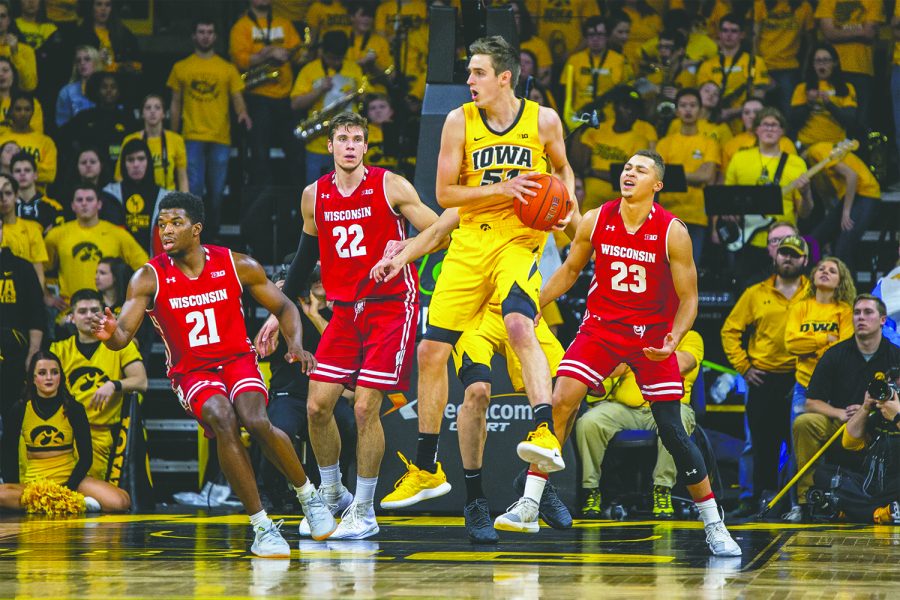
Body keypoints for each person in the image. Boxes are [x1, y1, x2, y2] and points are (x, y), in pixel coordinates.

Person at [379, 36, 576, 526]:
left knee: (519, 325)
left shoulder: (543, 120)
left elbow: (564, 172)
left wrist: (565, 207)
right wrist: (503, 188)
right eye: (468, 73)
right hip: (470, 247)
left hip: (517, 242)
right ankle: (427, 467)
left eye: (478, 73)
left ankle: (543, 441)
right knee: (430, 354)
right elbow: (446, 194)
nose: (469, 81)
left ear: (505, 76)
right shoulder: (458, 122)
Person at [91, 191, 336, 556]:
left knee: (255, 419)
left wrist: (295, 345)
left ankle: (309, 497)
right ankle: (262, 526)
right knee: (223, 418)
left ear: (197, 229)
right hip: (192, 371)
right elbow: (123, 334)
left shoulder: (236, 264)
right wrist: (111, 335)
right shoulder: (148, 276)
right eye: (162, 224)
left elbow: (286, 306)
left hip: (237, 359)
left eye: (176, 223)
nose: (167, 230)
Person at [540, 150, 740, 556]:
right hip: (604, 327)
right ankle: (531, 496)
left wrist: (673, 338)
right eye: (627, 168)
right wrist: (532, 303)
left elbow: (689, 298)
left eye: (641, 170)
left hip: (651, 334)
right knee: (562, 399)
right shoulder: (597, 217)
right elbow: (569, 271)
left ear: (657, 185)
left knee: (672, 429)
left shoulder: (673, 231)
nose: (630, 173)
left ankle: (714, 524)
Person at [256, 112, 439, 540]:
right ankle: (334, 491)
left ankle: (364, 509)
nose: (350, 145)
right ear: (331, 146)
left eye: (357, 138)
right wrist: (276, 312)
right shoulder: (313, 196)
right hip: (345, 310)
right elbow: (302, 264)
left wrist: (404, 247)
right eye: (343, 138)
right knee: (317, 407)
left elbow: (440, 230)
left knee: (363, 407)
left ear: (366, 147)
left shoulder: (390, 184)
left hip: (392, 304)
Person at [369, 207, 571, 543]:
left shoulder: (535, 192)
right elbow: (437, 233)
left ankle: (537, 481)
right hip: (475, 314)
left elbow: (581, 237)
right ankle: (475, 500)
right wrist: (404, 251)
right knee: (477, 391)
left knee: (567, 390)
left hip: (519, 309)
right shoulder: (475, 195)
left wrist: (568, 211)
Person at [792, 294, 900, 521]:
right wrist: (839, 413)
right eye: (857, 312)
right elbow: (811, 401)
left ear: (882, 320)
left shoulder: (895, 355)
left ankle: (861, 504)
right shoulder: (835, 354)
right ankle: (806, 502)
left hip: (884, 428)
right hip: (843, 424)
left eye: (868, 312)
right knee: (804, 422)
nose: (861, 317)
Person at [721, 234, 810, 508]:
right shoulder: (755, 293)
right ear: (775, 256)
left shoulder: (815, 293)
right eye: (784, 253)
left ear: (805, 260)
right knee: (762, 446)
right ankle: (758, 502)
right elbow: (730, 330)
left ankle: (797, 503)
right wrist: (744, 367)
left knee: (799, 447)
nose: (788, 258)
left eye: (794, 254)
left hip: (801, 379)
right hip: (763, 378)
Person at [577, 330, 704, 519]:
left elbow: (684, 363)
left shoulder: (690, 336)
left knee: (678, 420)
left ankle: (663, 489)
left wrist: (639, 354)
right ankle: (591, 490)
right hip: (627, 408)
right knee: (589, 421)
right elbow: (613, 369)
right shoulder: (637, 332)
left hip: (670, 406)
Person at [0, 352, 131, 512]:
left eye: (54, 372)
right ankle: (75, 504)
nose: (49, 377)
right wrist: (15, 487)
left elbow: (86, 458)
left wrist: (67, 489)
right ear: (33, 379)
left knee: (121, 501)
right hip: (35, 484)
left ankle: (58, 502)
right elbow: (8, 454)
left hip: (72, 481)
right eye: (42, 373)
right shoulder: (20, 409)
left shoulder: (74, 409)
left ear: (61, 377)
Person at [50, 288, 147, 480]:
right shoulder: (58, 349)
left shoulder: (120, 346)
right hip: (66, 434)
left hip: (105, 436)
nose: (89, 316)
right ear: (72, 316)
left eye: (95, 311)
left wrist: (114, 385)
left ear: (104, 314)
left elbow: (141, 381)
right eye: (82, 311)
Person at [168, 18, 251, 239]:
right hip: (191, 135)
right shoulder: (181, 67)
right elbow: (175, 103)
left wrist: (243, 113)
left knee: (216, 191)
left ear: (215, 36)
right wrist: (173, 134)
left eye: (210, 31)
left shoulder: (227, 68)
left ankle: (211, 232)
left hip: (220, 137)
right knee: (194, 191)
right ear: (194, 36)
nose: (205, 35)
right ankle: (194, 234)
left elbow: (237, 96)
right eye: (201, 31)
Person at [720, 108, 812, 279]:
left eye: (775, 125)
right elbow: (727, 200)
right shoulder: (740, 159)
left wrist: (806, 194)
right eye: (765, 125)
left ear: (782, 131)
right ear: (756, 129)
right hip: (747, 241)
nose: (770, 129)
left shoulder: (796, 163)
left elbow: (805, 213)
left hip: (784, 243)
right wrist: (728, 213)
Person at [230, 0, 301, 186]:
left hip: (285, 97)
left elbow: (298, 53)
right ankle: (261, 202)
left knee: (296, 152)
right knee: (259, 154)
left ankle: (296, 204)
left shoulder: (284, 23)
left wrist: (296, 53)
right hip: (257, 98)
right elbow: (239, 61)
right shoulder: (242, 26)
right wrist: (267, 54)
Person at [43, 183, 147, 306]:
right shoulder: (55, 235)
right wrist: (47, 296)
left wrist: (133, 298)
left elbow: (145, 268)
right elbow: (39, 270)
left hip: (108, 310)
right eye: (79, 200)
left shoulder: (118, 234)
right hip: (70, 310)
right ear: (72, 205)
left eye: (90, 199)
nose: (84, 203)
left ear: (99, 204)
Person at [784, 256, 855, 421]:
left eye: (832, 271)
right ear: (814, 276)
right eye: (821, 269)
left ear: (839, 282)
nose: (825, 272)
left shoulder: (845, 311)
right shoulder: (800, 308)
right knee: (800, 442)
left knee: (830, 444)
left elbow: (842, 352)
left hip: (834, 388)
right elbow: (791, 344)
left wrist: (808, 347)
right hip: (803, 387)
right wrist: (825, 339)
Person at [655, 87, 720, 267]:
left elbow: (706, 176)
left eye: (693, 105)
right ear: (676, 111)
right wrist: (692, 176)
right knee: (662, 271)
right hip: (666, 216)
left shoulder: (709, 143)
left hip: (696, 216)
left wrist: (673, 176)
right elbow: (657, 176)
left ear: (700, 110)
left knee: (689, 271)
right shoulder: (665, 143)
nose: (688, 110)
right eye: (683, 105)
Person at [0, 223, 44, 482]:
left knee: (13, 421)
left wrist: (33, 353)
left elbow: (36, 314)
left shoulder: (22, 268)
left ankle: (11, 479)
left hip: (14, 359)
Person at [291, 30, 364, 185]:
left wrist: (357, 94)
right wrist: (319, 90)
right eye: (332, 58)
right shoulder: (309, 70)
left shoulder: (354, 69)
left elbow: (367, 98)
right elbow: (295, 104)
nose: (336, 62)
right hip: (318, 144)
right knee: (316, 195)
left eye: (340, 58)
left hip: (349, 144)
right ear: (322, 52)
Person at [570, 86, 651, 211]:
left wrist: (593, 172)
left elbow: (630, 176)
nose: (630, 111)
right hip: (588, 204)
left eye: (634, 108)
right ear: (615, 107)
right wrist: (577, 130)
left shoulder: (640, 141)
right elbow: (579, 165)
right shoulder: (597, 130)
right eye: (625, 106)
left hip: (618, 206)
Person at [806, 140, 880, 269]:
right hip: (846, 198)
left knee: (843, 249)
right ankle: (813, 279)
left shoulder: (816, 150)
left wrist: (846, 212)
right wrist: (829, 228)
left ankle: (849, 289)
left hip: (865, 194)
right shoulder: (812, 167)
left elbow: (852, 176)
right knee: (813, 242)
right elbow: (826, 194)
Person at [814, 0, 882, 129]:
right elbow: (828, 33)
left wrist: (838, 30)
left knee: (860, 121)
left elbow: (869, 33)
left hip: (861, 68)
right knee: (829, 117)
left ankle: (859, 149)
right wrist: (859, 30)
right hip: (831, 69)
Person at [696, 13, 771, 129]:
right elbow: (703, 99)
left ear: (742, 35)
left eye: (734, 31)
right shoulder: (707, 65)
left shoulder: (755, 62)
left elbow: (759, 99)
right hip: (713, 123)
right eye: (725, 30)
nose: (728, 35)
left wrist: (732, 112)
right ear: (719, 34)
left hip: (744, 124)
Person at [103, 138, 171, 254]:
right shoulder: (110, 194)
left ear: (148, 162)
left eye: (141, 159)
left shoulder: (165, 197)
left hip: (154, 266)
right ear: (123, 164)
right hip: (119, 268)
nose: (136, 164)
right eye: (130, 160)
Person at [560, 17, 630, 129]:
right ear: (585, 38)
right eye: (591, 35)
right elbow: (567, 93)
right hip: (580, 118)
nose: (596, 39)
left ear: (607, 37)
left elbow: (625, 91)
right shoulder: (574, 60)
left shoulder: (620, 60)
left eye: (600, 35)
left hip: (610, 121)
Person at [61, 71, 138, 169]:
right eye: (104, 87)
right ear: (97, 91)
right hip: (90, 170)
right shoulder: (84, 117)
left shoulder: (127, 118)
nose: (109, 90)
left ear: (119, 92)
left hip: (119, 170)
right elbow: (64, 136)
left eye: (113, 87)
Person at [752, 0, 815, 117]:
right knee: (758, 113)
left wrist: (806, 67)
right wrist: (758, 69)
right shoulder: (761, 3)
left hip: (789, 68)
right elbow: (755, 38)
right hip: (764, 66)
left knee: (789, 114)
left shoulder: (804, 7)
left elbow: (810, 42)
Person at [788, 43, 857, 148]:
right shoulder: (802, 88)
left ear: (835, 63)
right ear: (813, 65)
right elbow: (793, 122)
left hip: (836, 146)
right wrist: (809, 104)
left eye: (826, 60)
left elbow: (850, 121)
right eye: (818, 61)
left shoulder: (847, 88)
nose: (821, 64)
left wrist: (829, 104)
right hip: (808, 144)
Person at [115, 94, 188, 193]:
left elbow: (182, 177)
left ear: (163, 113)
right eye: (148, 108)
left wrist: (186, 203)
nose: (152, 111)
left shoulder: (176, 140)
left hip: (168, 196)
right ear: (142, 113)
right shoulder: (130, 140)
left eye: (157, 108)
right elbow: (119, 176)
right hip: (138, 196)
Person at [0, 92, 56, 186]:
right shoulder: (2, 139)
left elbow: (50, 175)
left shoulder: (46, 142)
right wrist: (32, 170)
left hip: (37, 198)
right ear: (10, 111)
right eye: (18, 109)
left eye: (27, 109)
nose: (23, 113)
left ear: (33, 112)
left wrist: (11, 168)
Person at [11, 150, 62, 233]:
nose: (22, 174)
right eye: (18, 171)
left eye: (27, 170)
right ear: (12, 176)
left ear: (35, 175)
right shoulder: (4, 206)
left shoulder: (54, 207)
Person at [55, 45, 101, 128]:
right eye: (78, 60)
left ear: (96, 62)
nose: (82, 63)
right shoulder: (66, 92)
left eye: (87, 59)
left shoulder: (107, 88)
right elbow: (62, 124)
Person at [0, 1, 37, 92]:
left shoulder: (25, 50)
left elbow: (29, 86)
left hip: (14, 101)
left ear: (9, 20)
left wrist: (15, 54)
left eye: (3, 16)